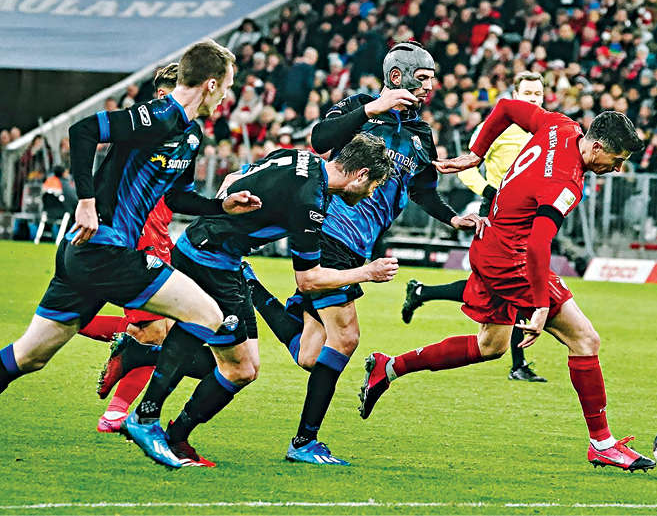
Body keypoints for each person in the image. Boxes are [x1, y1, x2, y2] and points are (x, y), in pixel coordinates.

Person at [358, 99, 657, 472]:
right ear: (596, 146)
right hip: (512, 260)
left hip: (490, 243)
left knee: (491, 346)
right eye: (617, 159)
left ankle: (389, 367)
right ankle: (603, 444)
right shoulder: (565, 181)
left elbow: (507, 107)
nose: (618, 168)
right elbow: (538, 244)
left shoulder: (560, 126)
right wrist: (541, 304)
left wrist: (476, 155)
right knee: (585, 340)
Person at [0, 39, 262, 462]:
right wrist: (86, 202)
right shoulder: (159, 116)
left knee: (30, 356)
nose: (227, 97)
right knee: (209, 315)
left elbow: (176, 197)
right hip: (105, 250)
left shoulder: (190, 135)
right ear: (211, 84)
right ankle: (144, 418)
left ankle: (135, 365)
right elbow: (83, 131)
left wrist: (222, 206)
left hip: (89, 257)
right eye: (228, 87)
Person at [244, 41, 486, 466]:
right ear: (396, 77)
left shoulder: (421, 135)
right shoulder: (360, 107)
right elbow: (320, 139)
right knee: (346, 338)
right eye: (422, 78)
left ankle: (249, 287)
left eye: (432, 79)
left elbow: (422, 190)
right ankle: (304, 442)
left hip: (359, 246)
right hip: (328, 230)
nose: (429, 87)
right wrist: (375, 107)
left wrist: (453, 219)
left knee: (310, 353)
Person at [124, 133, 394, 468]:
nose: (371, 194)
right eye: (374, 186)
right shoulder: (309, 202)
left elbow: (231, 178)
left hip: (216, 254)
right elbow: (308, 280)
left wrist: (228, 219)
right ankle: (152, 421)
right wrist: (366, 273)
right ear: (361, 175)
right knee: (232, 361)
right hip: (209, 261)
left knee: (243, 366)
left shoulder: (299, 157)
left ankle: (166, 420)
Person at [400, 71, 549, 382]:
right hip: (496, 210)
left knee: (498, 286)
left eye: (538, 94)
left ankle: (422, 292)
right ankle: (518, 364)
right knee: (510, 283)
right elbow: (467, 167)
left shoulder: (547, 128)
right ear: (514, 95)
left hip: (529, 214)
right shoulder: (498, 127)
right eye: (527, 94)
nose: (533, 99)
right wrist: (488, 191)